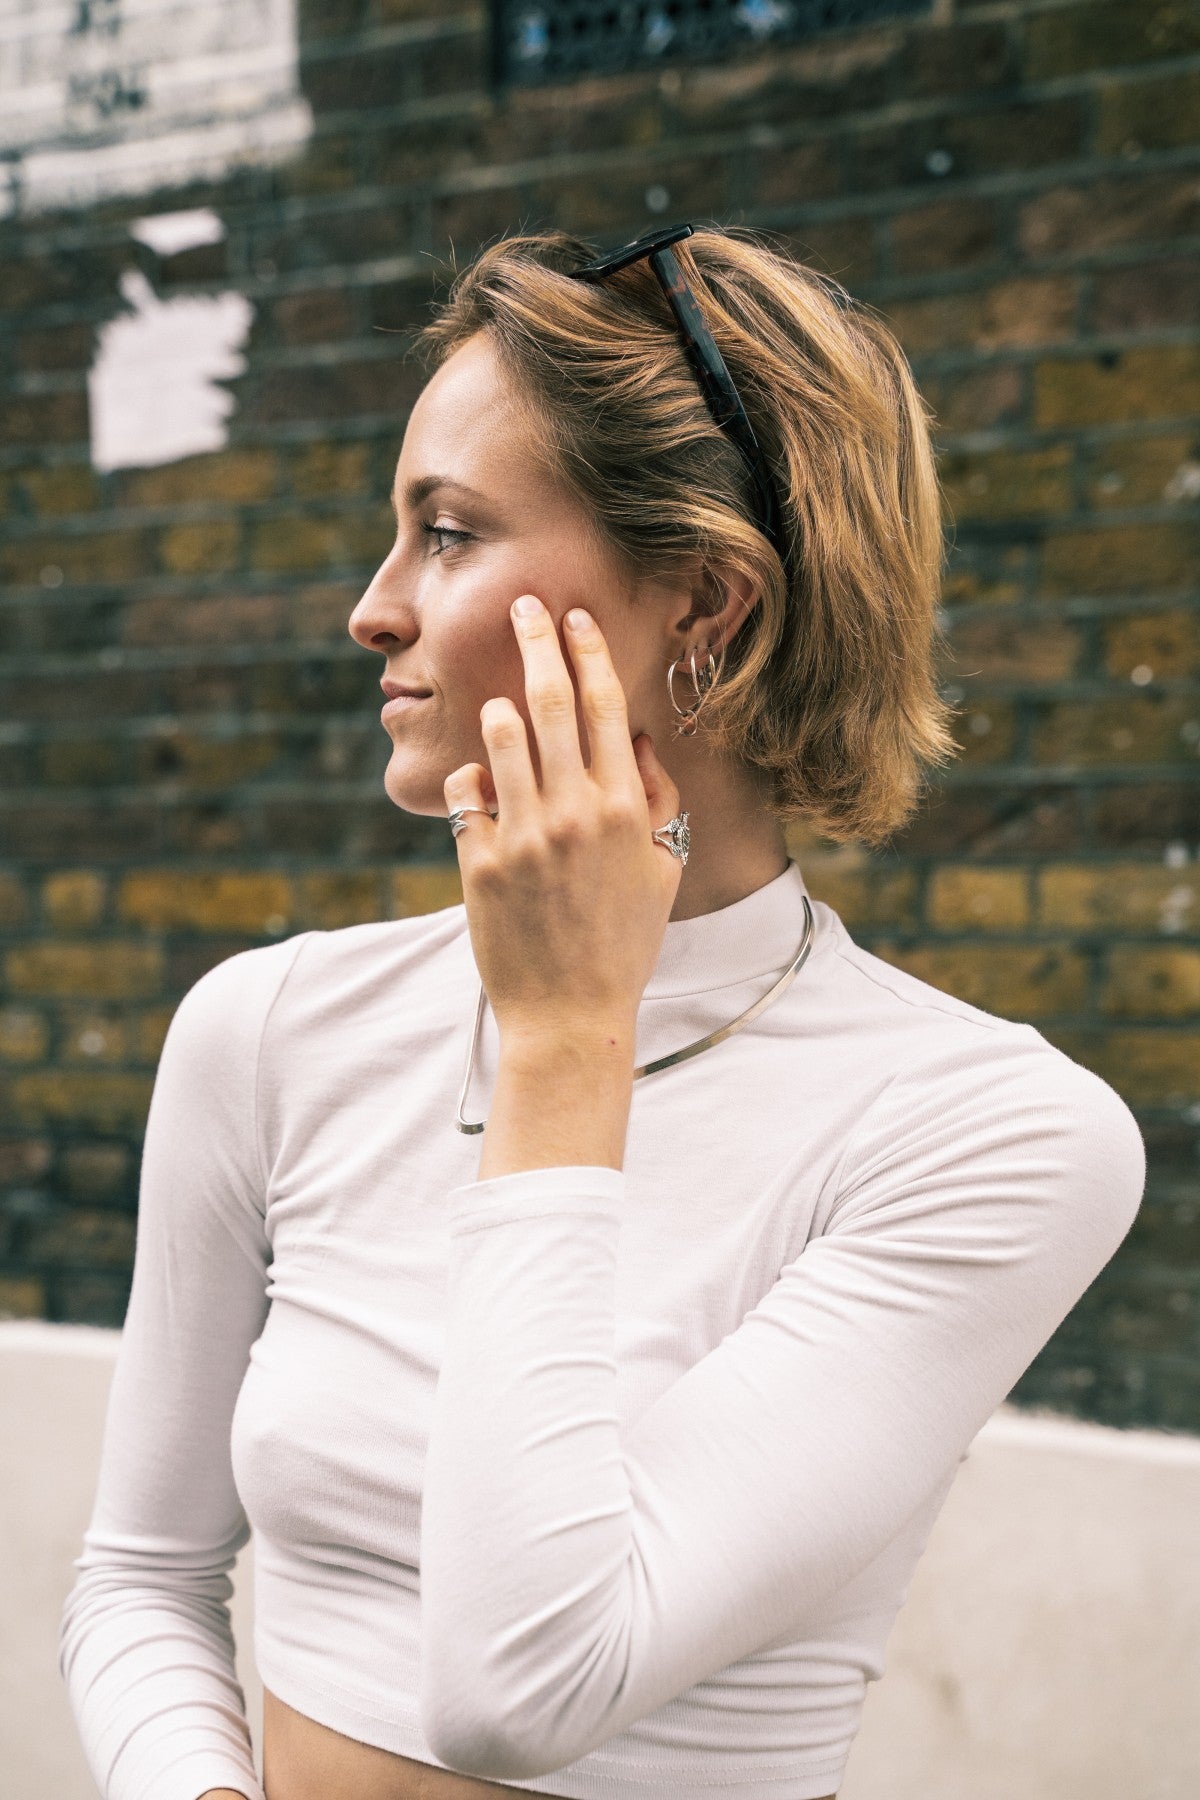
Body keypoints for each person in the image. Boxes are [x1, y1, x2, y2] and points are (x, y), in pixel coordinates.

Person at [59, 224, 1146, 1800]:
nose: (372, 610)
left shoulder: (995, 1134)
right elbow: (141, 1581)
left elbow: (526, 1683)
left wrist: (570, 1037)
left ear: (703, 600)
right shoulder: (269, 1031)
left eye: (446, 532)